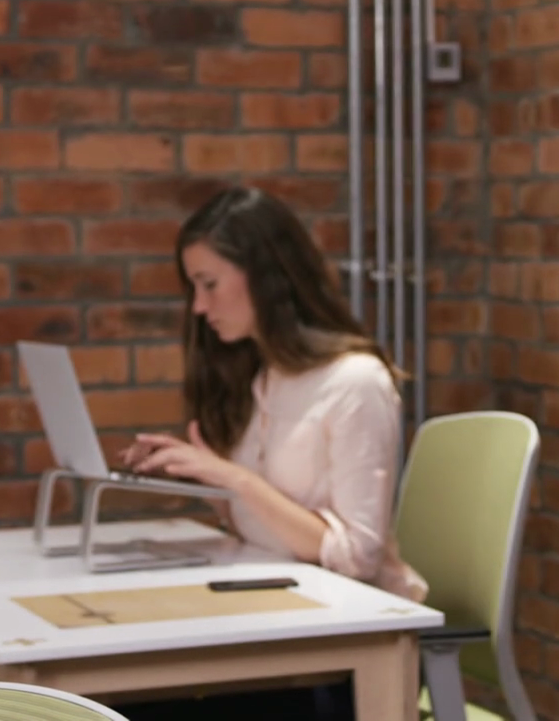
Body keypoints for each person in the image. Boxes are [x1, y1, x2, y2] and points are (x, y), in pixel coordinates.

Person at [112, 185, 426, 721]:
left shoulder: (355, 382)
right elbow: (264, 529)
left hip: (347, 660)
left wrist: (235, 479)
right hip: (282, 632)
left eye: (209, 284)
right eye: (194, 288)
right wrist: (198, 473)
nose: (199, 307)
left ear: (263, 274)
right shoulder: (263, 378)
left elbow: (357, 557)